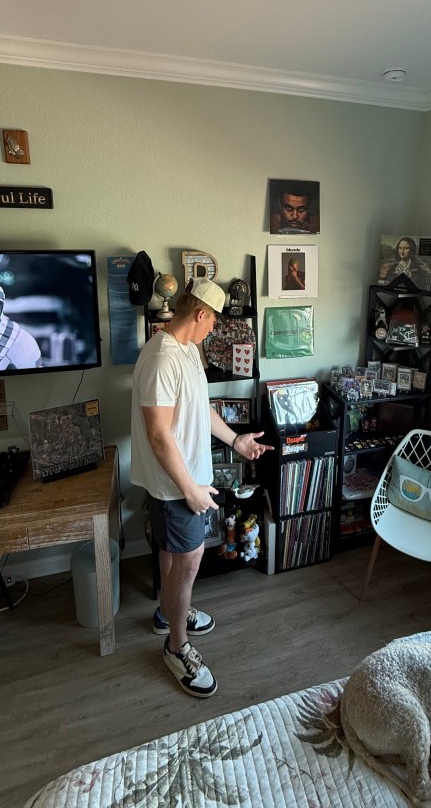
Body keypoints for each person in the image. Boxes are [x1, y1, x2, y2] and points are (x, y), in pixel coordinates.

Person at [130, 277, 272, 698]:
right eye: (214, 322)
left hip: (186, 480)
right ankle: (177, 647)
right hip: (175, 486)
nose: (216, 330)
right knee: (188, 560)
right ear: (201, 313)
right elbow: (159, 435)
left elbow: (200, 408)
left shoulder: (188, 350)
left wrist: (236, 440)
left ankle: (169, 611)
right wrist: (190, 488)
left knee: (174, 558)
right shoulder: (160, 359)